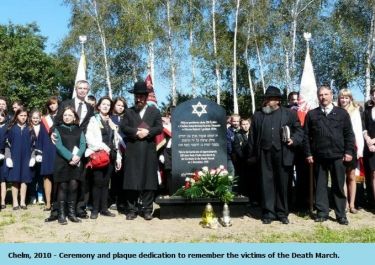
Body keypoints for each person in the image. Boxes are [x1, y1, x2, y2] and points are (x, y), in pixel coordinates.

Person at [248, 86, 303, 224]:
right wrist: (252, 155)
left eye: (270, 99)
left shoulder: (289, 114)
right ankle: (268, 212)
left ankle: (282, 212)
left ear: (277, 100)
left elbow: (299, 131)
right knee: (266, 183)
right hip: (264, 154)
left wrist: (294, 140)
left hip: (283, 153)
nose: (266, 101)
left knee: (283, 183)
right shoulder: (258, 115)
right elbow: (252, 137)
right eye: (266, 98)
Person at [304, 85, 355, 225]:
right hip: (319, 156)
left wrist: (349, 152)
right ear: (317, 96)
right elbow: (306, 136)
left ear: (331, 95)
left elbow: (349, 134)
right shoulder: (312, 114)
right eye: (321, 95)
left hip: (338, 156)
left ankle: (341, 214)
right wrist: (308, 153)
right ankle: (322, 212)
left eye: (326, 94)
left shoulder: (342, 114)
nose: (323, 97)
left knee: (338, 186)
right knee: (320, 186)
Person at [45, 80, 94, 222]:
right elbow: (55, 124)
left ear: (88, 90)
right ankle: (57, 212)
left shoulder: (90, 108)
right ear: (76, 89)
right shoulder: (66, 103)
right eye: (80, 88)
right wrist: (52, 133)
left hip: (80, 146)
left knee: (77, 183)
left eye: (85, 88)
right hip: (64, 146)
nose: (83, 91)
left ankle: (76, 210)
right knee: (61, 184)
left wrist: (79, 153)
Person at [120, 81, 162, 220]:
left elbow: (159, 128)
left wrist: (148, 131)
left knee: (149, 181)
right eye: (137, 96)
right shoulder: (129, 111)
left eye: (142, 96)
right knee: (131, 181)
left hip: (149, 151)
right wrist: (136, 132)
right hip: (132, 150)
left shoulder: (154, 111)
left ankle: (147, 210)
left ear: (146, 97)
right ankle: (131, 210)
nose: (139, 99)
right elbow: (123, 128)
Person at [85, 96, 122, 219]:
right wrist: (104, 147)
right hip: (98, 155)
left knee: (106, 183)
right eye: (103, 104)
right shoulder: (93, 120)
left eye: (108, 105)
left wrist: (118, 158)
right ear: (99, 106)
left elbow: (116, 141)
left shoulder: (112, 122)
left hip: (111, 156)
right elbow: (89, 139)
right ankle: (95, 209)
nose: (106, 106)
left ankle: (104, 209)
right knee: (97, 182)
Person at [53, 106, 86, 224]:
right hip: (62, 162)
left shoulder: (79, 129)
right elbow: (59, 145)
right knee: (63, 187)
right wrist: (70, 157)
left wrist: (77, 157)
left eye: (70, 115)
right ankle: (61, 214)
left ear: (74, 117)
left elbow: (83, 144)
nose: (67, 117)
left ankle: (71, 214)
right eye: (65, 115)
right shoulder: (57, 129)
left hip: (76, 163)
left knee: (73, 187)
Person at [338, 88, 364, 214]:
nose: (344, 99)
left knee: (352, 176)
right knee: (341, 177)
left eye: (346, 97)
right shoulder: (336, 111)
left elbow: (358, 131)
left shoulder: (355, 111)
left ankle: (352, 204)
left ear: (350, 99)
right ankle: (345, 204)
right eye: (342, 97)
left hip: (352, 147)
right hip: (338, 147)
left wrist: (360, 149)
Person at [5, 107, 36, 210]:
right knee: (15, 180)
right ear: (17, 116)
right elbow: (7, 145)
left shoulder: (30, 129)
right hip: (15, 158)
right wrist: (8, 157)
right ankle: (15, 202)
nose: (23, 117)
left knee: (24, 180)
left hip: (27, 158)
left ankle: (22, 202)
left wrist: (33, 157)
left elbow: (33, 145)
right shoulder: (11, 128)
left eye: (25, 116)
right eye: (21, 115)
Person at [37, 96, 58, 211]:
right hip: (47, 149)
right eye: (50, 104)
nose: (52, 106)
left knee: (58, 177)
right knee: (47, 176)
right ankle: (48, 203)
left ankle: (57, 202)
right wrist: (39, 152)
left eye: (54, 103)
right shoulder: (44, 119)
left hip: (60, 150)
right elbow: (41, 136)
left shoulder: (63, 117)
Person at [109, 96, 127, 211]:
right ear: (114, 105)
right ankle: (112, 200)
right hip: (113, 150)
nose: (120, 107)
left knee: (122, 177)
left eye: (122, 106)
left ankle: (122, 200)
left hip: (125, 150)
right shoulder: (109, 118)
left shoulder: (126, 118)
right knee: (113, 177)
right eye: (118, 105)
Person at [362, 86, 375, 210]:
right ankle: (371, 201)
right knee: (370, 175)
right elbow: (364, 127)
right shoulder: (367, 110)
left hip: (373, 145)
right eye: (373, 94)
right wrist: (368, 140)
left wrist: (374, 142)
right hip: (368, 148)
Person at [28, 109, 44, 205]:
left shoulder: (43, 127)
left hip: (41, 155)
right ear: (31, 118)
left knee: (40, 177)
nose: (35, 119)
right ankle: (32, 196)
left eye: (37, 118)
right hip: (30, 155)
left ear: (40, 118)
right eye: (33, 118)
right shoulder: (28, 128)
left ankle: (40, 196)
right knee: (32, 177)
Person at [0, 110, 8, 210]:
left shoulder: (7, 127)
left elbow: (9, 142)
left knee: (2, 180)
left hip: (3, 155)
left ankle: (2, 201)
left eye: (2, 115)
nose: (0, 117)